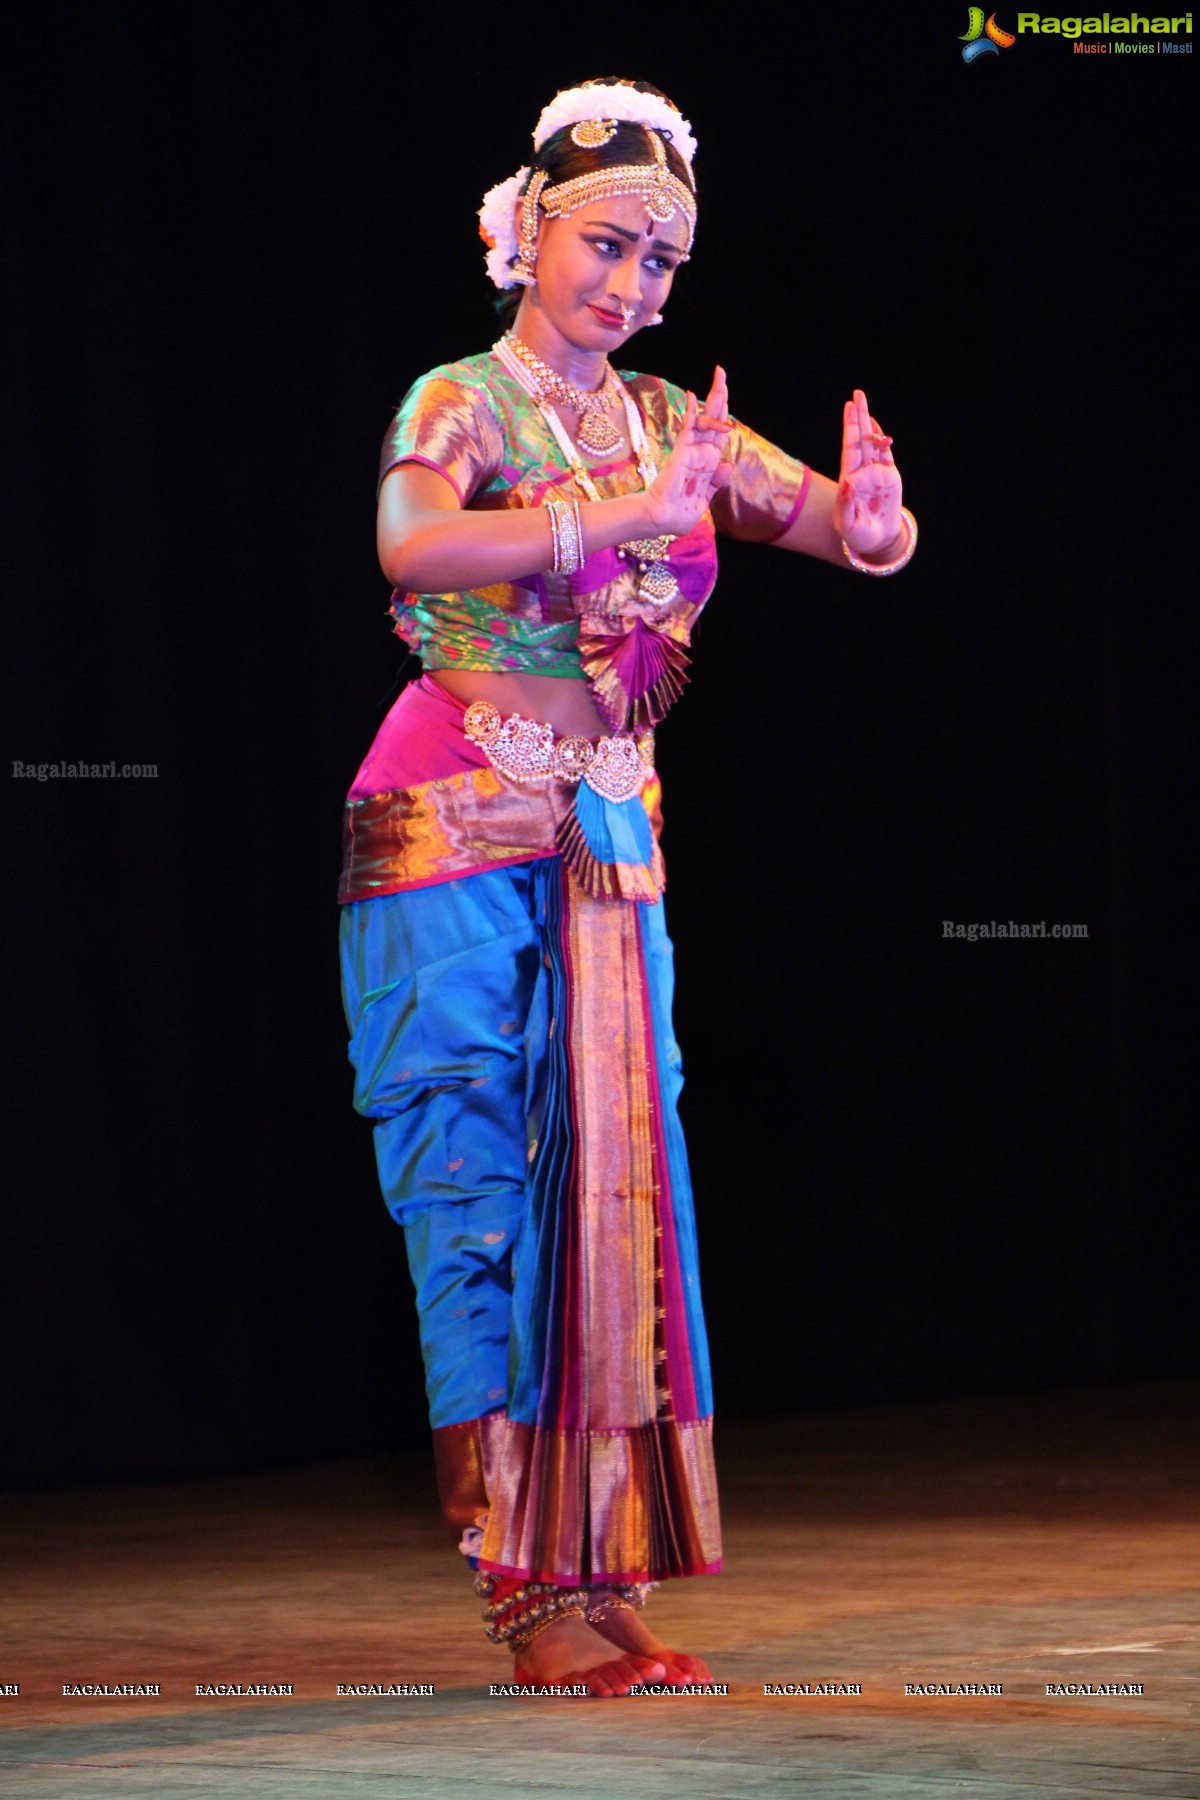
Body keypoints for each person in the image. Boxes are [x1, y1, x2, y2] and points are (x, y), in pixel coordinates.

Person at [338, 77, 914, 1698]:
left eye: (663, 260)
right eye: (607, 244)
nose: (634, 285)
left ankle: (592, 1562)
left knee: (616, 1196)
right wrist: (610, 525)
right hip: (451, 821)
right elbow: (411, 546)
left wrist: (878, 523)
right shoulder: (463, 398)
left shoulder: (673, 419)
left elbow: (826, 523)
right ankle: (523, 1595)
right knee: (478, 1193)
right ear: (529, 232)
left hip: (608, 841)